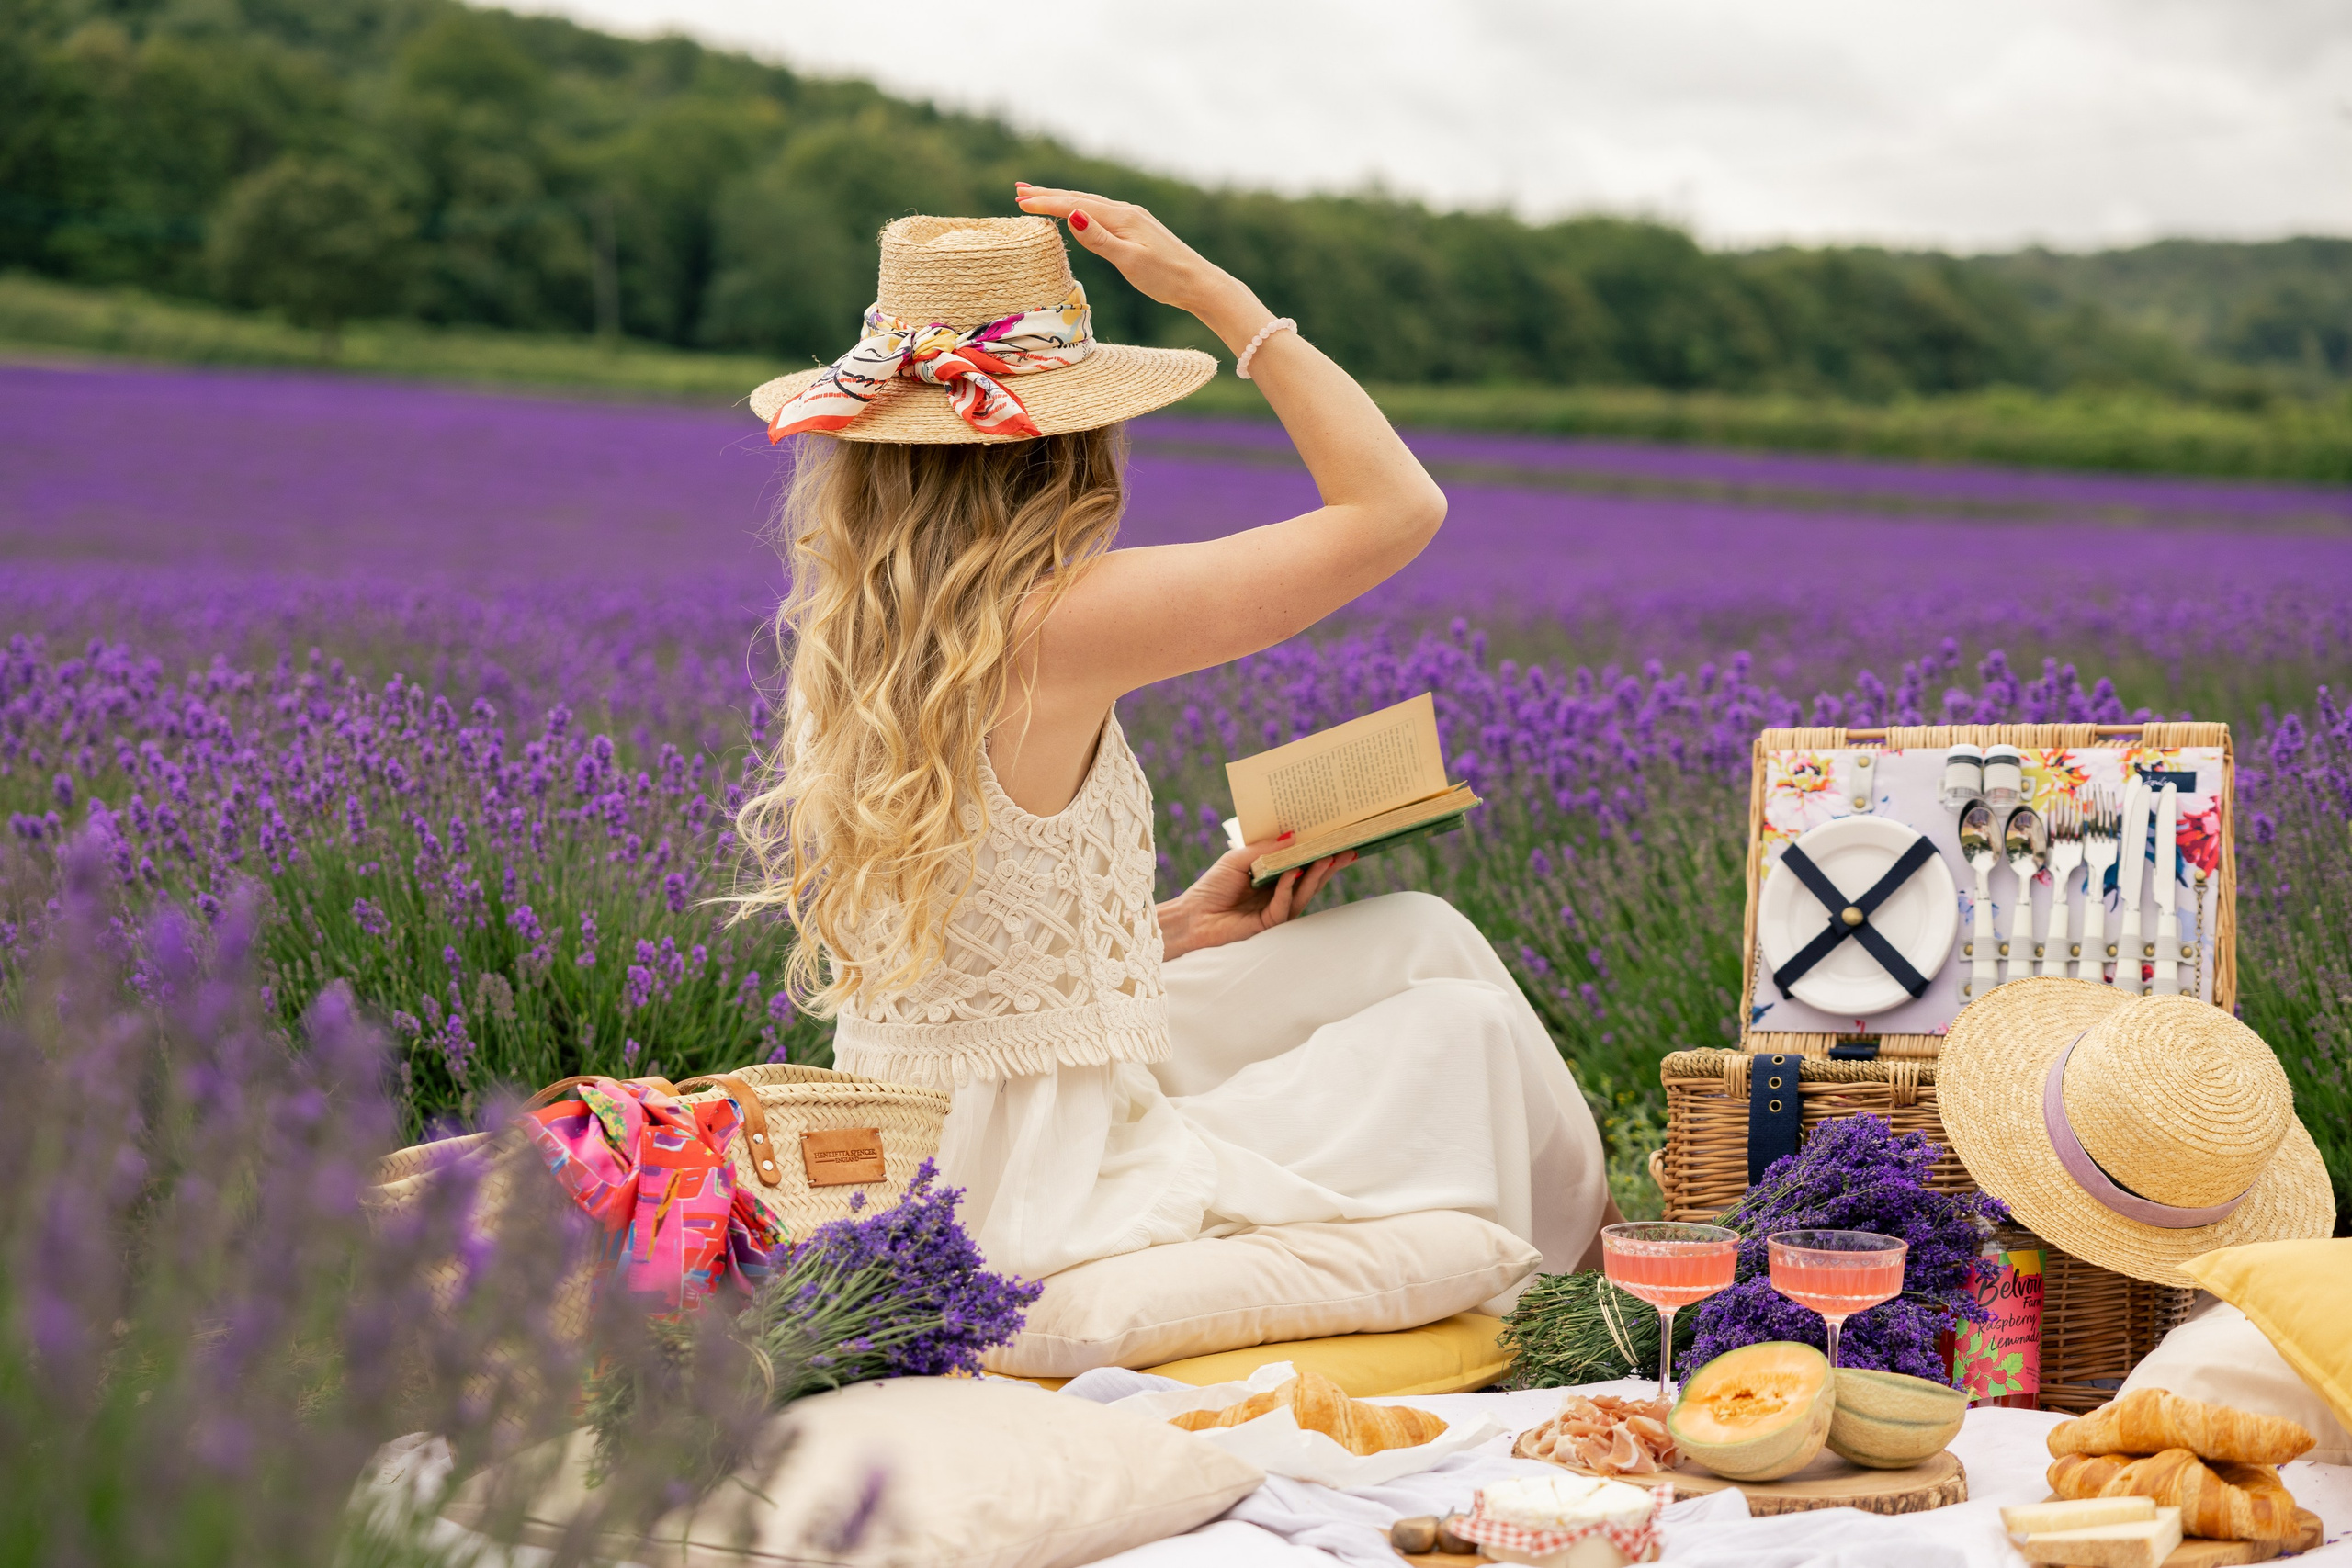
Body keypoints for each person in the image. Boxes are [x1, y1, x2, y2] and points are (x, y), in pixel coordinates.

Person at [733, 192, 1613, 1289]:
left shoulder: (860, 624)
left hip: (946, 1118)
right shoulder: (1055, 617)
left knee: (1418, 940)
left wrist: (1173, 928)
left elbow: (957, 960)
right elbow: (1395, 508)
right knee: (1466, 1034)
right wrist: (1220, 299)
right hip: (1038, 1174)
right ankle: (1613, 1304)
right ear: (1067, 443)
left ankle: (1599, 1276)